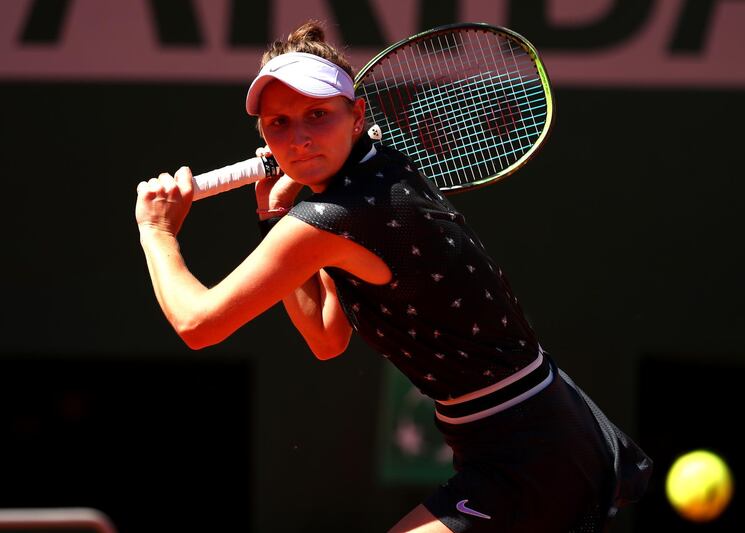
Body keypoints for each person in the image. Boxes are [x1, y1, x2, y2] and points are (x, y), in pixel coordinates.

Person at [135, 20, 652, 533]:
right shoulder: (377, 172)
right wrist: (275, 221)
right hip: (535, 432)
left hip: (531, 452)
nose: (299, 139)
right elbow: (326, 337)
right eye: (279, 124)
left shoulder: (334, 216)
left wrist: (157, 232)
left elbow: (198, 325)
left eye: (318, 115)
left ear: (357, 116)